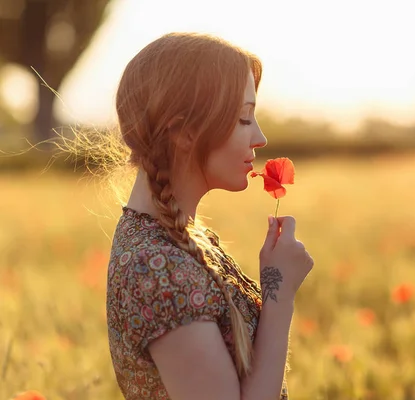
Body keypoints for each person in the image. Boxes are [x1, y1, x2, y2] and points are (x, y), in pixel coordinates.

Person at [105, 32, 314, 400]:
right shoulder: (158, 268)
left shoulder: (172, 241)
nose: (260, 137)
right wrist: (279, 295)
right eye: (244, 118)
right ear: (185, 131)